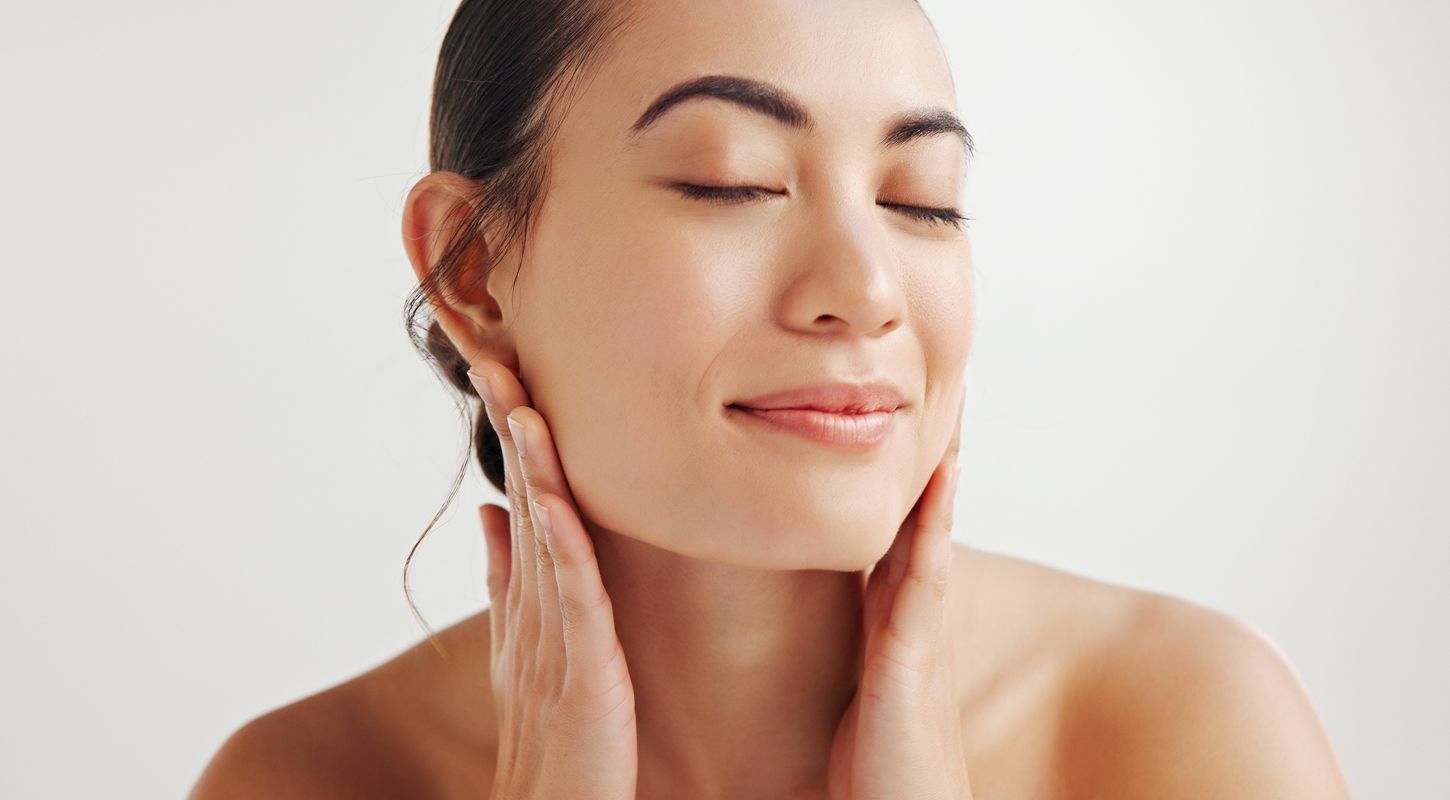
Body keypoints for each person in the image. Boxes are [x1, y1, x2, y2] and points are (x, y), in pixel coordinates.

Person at [189, 0, 1351, 797]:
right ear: (475, 266)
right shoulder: (310, 776)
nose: (864, 290)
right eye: (730, 180)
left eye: (923, 199)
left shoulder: (1181, 726)